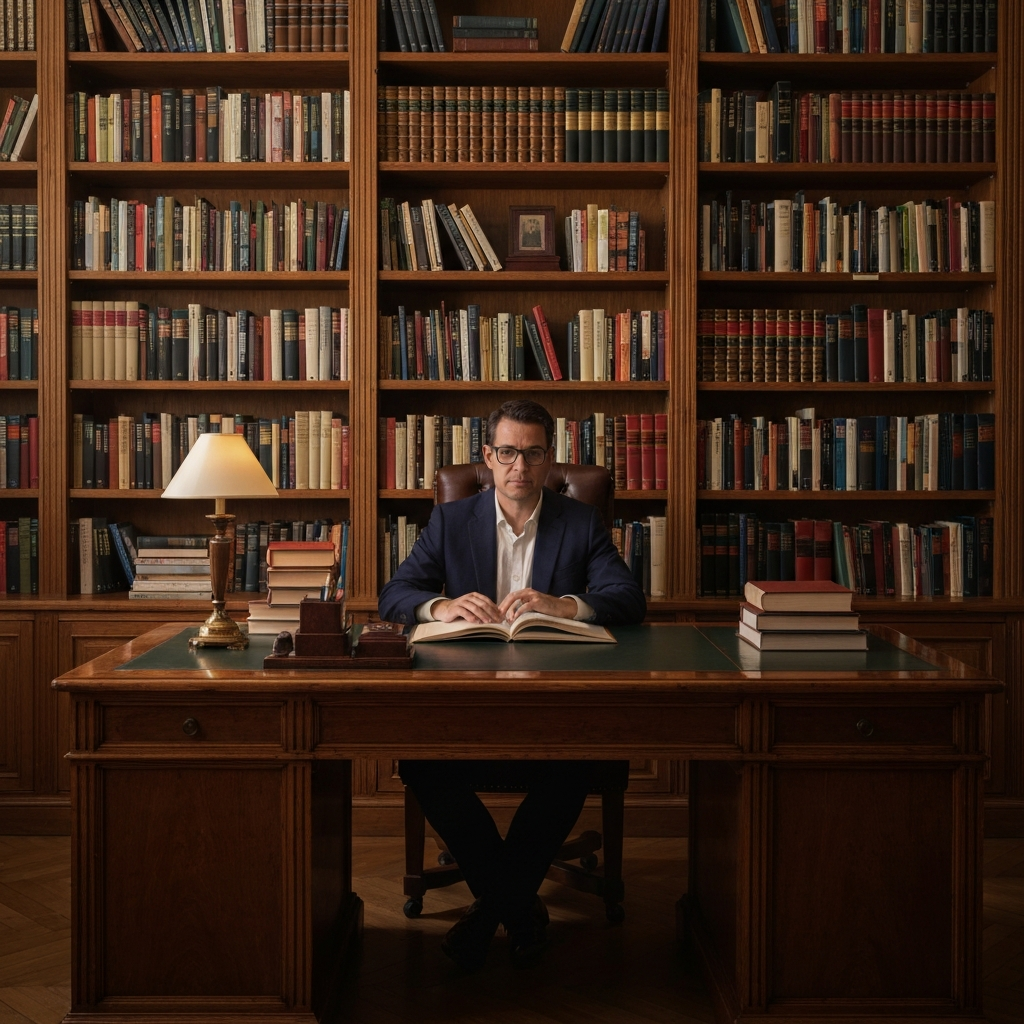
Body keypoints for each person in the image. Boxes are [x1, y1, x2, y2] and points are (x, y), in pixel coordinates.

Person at [378, 399, 646, 971]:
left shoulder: (578, 521)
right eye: (507, 452)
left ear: (549, 459)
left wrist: (565, 605)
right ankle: (518, 908)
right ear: (488, 457)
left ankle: (493, 909)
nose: (519, 466)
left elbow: (628, 600)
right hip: (467, 703)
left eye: (532, 453)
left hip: (559, 705)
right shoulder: (452, 520)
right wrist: (442, 604)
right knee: (422, 764)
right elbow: (394, 595)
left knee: (575, 763)